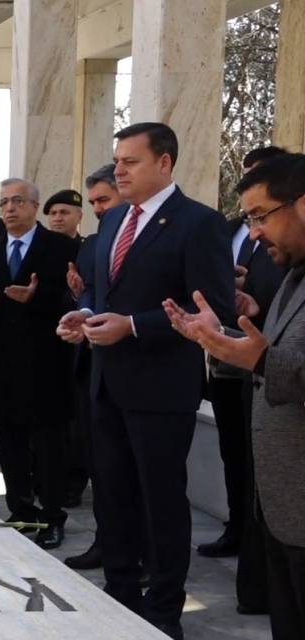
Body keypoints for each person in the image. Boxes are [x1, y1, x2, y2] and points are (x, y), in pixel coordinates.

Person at [56, 122, 235, 640]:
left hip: (161, 389)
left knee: (160, 503)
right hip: (106, 385)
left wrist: (132, 327)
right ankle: (119, 597)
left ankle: (162, 613)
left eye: (131, 161)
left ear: (164, 163)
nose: (120, 170)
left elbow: (215, 311)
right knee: (111, 497)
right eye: (117, 161)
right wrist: (85, 315)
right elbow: (107, 295)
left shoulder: (198, 224)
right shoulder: (112, 223)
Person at [165, 152, 305, 639]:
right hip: (285, 507)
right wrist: (221, 334)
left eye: (261, 216)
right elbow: (280, 346)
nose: (255, 232)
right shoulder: (294, 274)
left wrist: (258, 359)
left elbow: (279, 361)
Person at [0, 178, 80, 549]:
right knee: (10, 443)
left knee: (50, 447)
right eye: (4, 202)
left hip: (47, 362)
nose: (10, 209)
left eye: (18, 201)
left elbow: (73, 302)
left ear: (35, 206)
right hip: (2, 363)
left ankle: (52, 516)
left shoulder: (60, 247)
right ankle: (20, 511)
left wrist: (35, 298)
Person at [63, 162, 126, 572]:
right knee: (103, 469)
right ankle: (108, 543)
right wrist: (81, 308)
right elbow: (90, 291)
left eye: (105, 199)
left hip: (138, 372)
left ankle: (143, 557)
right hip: (93, 368)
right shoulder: (94, 243)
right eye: (94, 202)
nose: (99, 209)